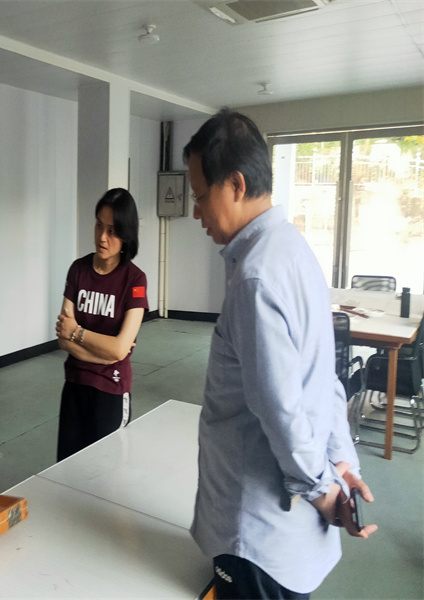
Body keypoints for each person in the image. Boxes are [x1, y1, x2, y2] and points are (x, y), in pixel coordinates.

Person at [184, 109, 377, 599]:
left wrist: (323, 490)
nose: (196, 212)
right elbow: (325, 377)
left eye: (200, 196)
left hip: (256, 533)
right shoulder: (294, 250)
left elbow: (280, 408)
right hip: (288, 538)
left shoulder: (255, 277)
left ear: (235, 185)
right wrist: (342, 463)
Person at [54, 188, 148, 461]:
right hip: (74, 386)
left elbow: (119, 349)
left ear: (126, 234)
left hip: (111, 390)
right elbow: (63, 338)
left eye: (112, 231)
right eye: (98, 225)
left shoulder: (135, 280)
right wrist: (105, 352)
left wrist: (78, 332)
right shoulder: (78, 270)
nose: (102, 237)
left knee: (106, 473)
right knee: (67, 469)